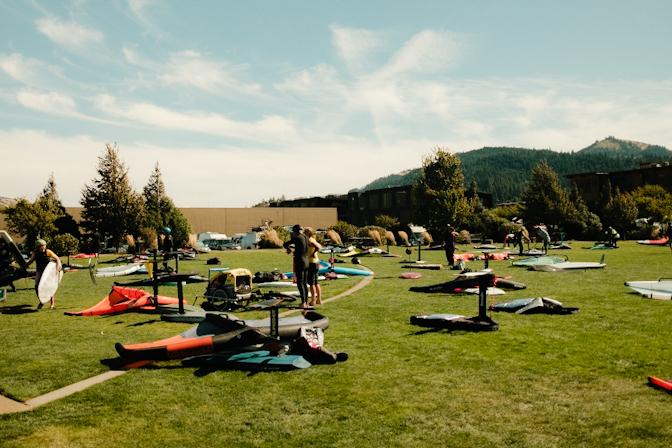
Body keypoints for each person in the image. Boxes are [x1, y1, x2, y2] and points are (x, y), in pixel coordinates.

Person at [26, 239, 61, 309]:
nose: (43, 247)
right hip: (39, 271)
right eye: (41, 246)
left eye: (44, 246)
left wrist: (58, 267)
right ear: (38, 247)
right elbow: (31, 260)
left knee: (50, 287)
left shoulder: (48, 252)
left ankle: (52, 304)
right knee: (37, 287)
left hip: (48, 271)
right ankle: (42, 301)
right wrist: (25, 264)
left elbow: (57, 259)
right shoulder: (35, 253)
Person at [283, 224, 310, 308]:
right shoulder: (306, 237)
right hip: (306, 261)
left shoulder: (297, 238)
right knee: (305, 283)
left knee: (300, 283)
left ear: (295, 231)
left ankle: (303, 303)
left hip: (300, 262)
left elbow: (285, 244)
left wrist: (289, 249)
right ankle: (306, 302)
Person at [303, 227, 322, 306]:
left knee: (311, 283)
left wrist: (313, 253)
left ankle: (313, 301)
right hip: (316, 263)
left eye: (304, 232)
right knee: (316, 282)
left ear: (307, 233)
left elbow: (318, 247)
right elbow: (319, 246)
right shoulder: (313, 239)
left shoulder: (309, 240)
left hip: (311, 263)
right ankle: (319, 300)